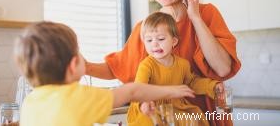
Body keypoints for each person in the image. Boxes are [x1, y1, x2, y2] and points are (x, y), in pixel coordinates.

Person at [85, 0, 241, 126]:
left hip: (200, 116)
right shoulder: (146, 27)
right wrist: (85, 67)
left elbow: (223, 69)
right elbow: (118, 67)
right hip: (159, 117)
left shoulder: (207, 14)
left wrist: (195, 18)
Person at [14, 21, 195, 126]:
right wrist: (173, 91)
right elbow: (133, 91)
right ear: (73, 64)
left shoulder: (31, 101)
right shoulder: (79, 97)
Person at [127, 12, 223, 126]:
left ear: (174, 41)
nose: (155, 44)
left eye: (161, 39)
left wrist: (213, 86)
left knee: (192, 120)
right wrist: (144, 103)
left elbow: (192, 83)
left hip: (175, 107)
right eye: (149, 40)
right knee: (150, 121)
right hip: (151, 107)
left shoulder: (182, 64)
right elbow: (139, 88)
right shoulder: (146, 65)